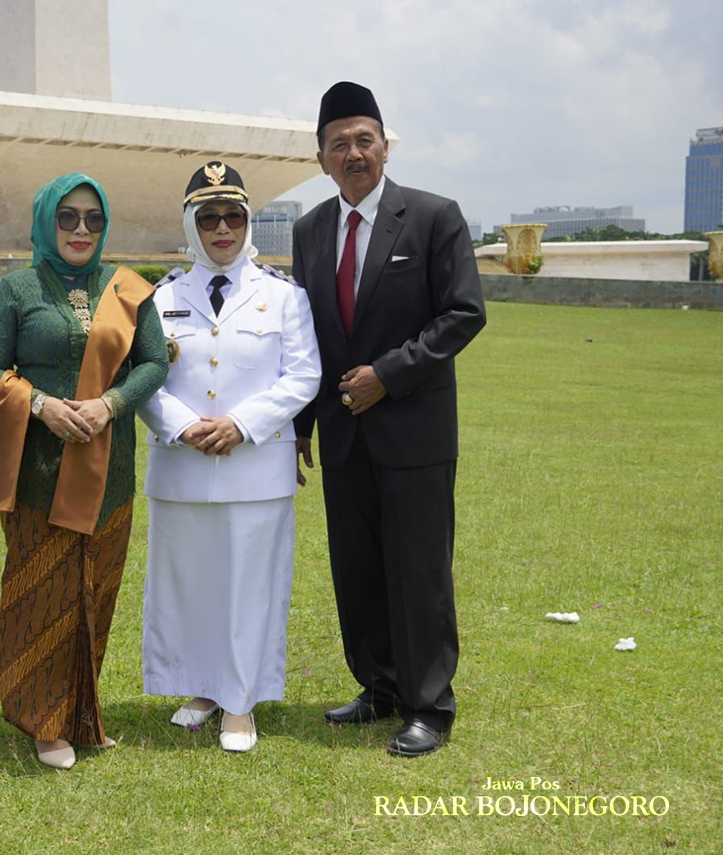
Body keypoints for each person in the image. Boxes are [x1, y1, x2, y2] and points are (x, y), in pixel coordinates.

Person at [292, 81, 486, 757]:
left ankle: (428, 704)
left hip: (414, 432)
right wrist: (301, 426)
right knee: (358, 568)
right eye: (338, 143)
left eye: (364, 140)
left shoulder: (433, 217)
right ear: (321, 157)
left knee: (418, 571)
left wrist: (388, 374)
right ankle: (378, 686)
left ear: (384, 146)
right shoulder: (309, 231)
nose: (353, 153)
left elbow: (463, 312)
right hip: (343, 435)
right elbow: (307, 336)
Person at [0, 173, 168, 769]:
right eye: (67, 218)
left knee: (95, 591)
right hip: (39, 473)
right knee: (42, 593)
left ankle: (82, 714)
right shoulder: (16, 291)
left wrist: (111, 403)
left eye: (93, 219)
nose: (81, 229)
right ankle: (42, 720)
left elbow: (154, 362)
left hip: (110, 471)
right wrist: (40, 404)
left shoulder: (128, 289)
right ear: (45, 222)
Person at [137, 162, 321, 752]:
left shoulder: (283, 296)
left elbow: (304, 375)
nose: (223, 229)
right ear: (190, 224)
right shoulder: (160, 297)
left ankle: (240, 700)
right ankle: (202, 688)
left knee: (249, 585)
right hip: (182, 464)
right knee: (189, 583)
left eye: (234, 217)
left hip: (255, 467)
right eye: (209, 217)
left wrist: (242, 424)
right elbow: (142, 377)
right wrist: (183, 425)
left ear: (248, 223)